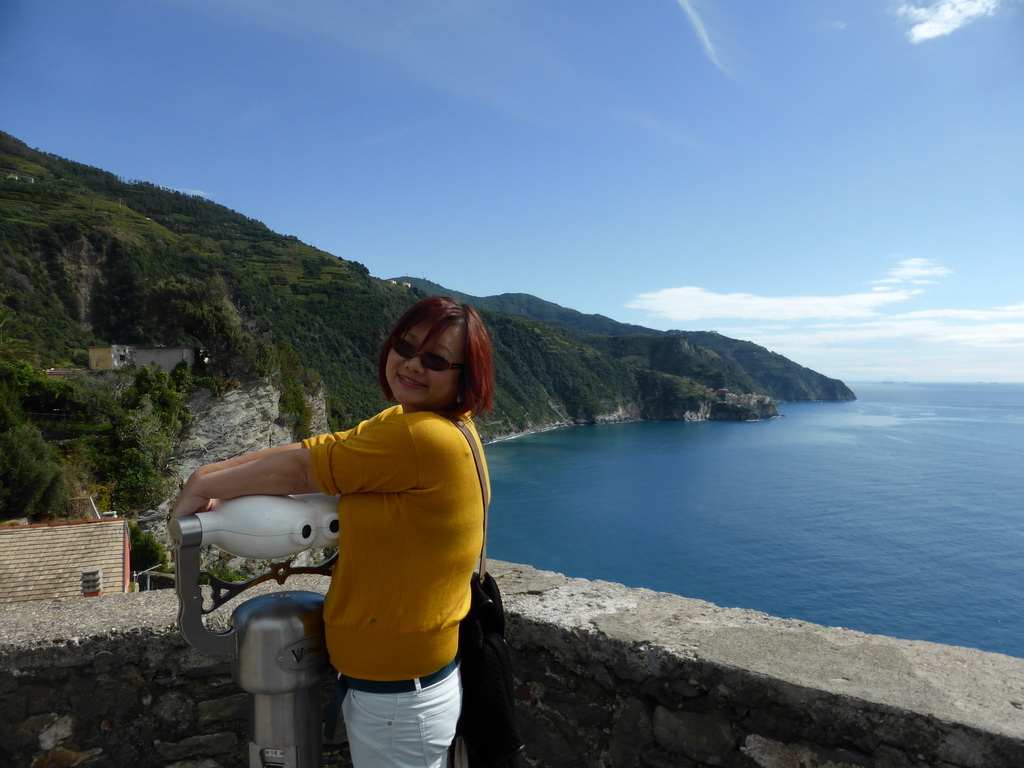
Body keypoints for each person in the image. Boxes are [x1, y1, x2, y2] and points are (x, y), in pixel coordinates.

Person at [171, 296, 495, 768]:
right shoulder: (412, 422)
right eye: (406, 346)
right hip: (403, 683)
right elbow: (318, 450)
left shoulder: (420, 437)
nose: (412, 365)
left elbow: (303, 473)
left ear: (463, 375)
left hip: (399, 697)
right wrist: (208, 475)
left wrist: (202, 484)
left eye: (436, 359)